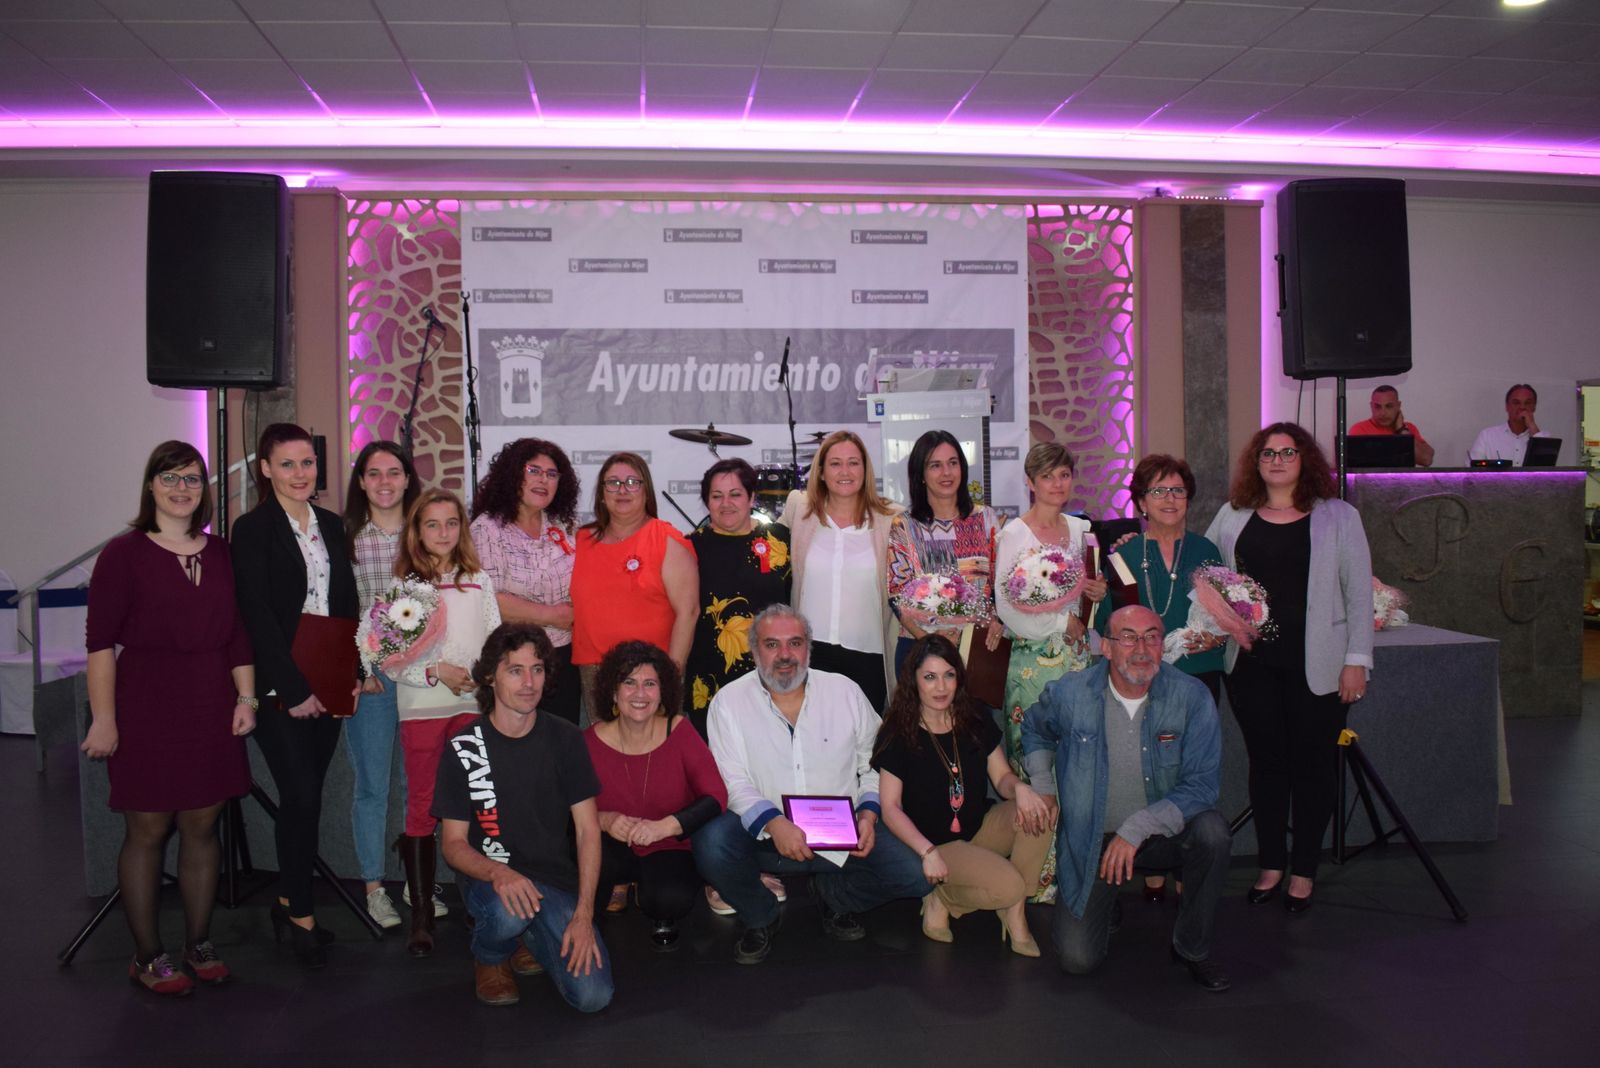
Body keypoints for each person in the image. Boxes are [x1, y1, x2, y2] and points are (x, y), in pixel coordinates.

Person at [83, 441, 256, 995]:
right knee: (149, 828)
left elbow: (237, 634)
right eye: (170, 477)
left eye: (192, 478)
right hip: (145, 701)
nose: (182, 488)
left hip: (210, 699)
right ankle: (147, 955)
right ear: (151, 486)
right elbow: (99, 645)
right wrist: (103, 720)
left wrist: (245, 700)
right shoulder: (123, 553)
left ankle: (198, 943)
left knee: (203, 826)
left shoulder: (223, 552)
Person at [695, 604, 932, 964]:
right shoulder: (728, 701)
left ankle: (835, 895)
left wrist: (868, 814)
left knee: (917, 877)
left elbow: (876, 761)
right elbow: (733, 780)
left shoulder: (845, 691)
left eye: (795, 643)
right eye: (772, 645)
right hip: (765, 837)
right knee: (711, 842)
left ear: (809, 647)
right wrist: (775, 824)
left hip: (844, 834)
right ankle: (760, 916)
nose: (785, 655)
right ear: (754, 649)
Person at [1205, 422, 1373, 914]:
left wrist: (1356, 661)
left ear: (1305, 460)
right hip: (1252, 665)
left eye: (1287, 452)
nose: (1277, 460)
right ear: (1255, 462)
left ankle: (1304, 871)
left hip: (1319, 666)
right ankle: (1272, 864)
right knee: (1268, 766)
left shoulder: (1339, 516)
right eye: (1267, 453)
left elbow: (1359, 595)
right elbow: (1206, 574)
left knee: (1315, 767)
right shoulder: (1233, 515)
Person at [1020, 605, 1232, 991]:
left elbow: (1203, 785)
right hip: (1093, 843)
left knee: (1213, 833)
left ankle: (1192, 948)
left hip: (1162, 835)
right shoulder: (1071, 693)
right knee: (1076, 960)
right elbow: (1033, 728)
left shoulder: (1191, 697)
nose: (1141, 648)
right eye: (1129, 637)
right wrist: (1042, 785)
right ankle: (1107, 896)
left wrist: (1137, 828)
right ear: (1105, 646)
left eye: (1152, 636)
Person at [232, 422, 359, 968]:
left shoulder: (332, 524)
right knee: (301, 793)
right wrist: (294, 686)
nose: (300, 473)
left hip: (331, 675)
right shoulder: (252, 528)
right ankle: (302, 913)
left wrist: (352, 669)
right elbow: (257, 616)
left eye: (307, 462)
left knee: (307, 797)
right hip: (282, 683)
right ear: (265, 469)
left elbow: (345, 603)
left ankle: (287, 900)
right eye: (287, 464)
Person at [434, 623, 612, 1011]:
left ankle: (528, 937)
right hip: (492, 881)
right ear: (489, 677)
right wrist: (500, 873)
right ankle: (491, 955)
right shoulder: (464, 747)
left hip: (553, 883)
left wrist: (584, 914)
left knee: (593, 997)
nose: (528, 682)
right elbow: (452, 845)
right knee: (506, 914)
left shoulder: (566, 739)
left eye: (537, 669)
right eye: (515, 670)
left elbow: (587, 832)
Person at [872, 634, 1054, 954]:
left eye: (949, 675)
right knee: (1006, 885)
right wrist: (927, 852)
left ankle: (1014, 911)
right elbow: (890, 808)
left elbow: (1002, 779)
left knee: (1040, 809)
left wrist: (1022, 789)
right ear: (914, 681)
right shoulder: (898, 731)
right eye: (930, 677)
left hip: (977, 830)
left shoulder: (974, 717)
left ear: (959, 677)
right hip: (934, 846)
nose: (941, 687)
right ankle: (942, 896)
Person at [387, 489, 501, 956]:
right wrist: (436, 672)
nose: (442, 533)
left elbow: (495, 641)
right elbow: (391, 660)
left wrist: (479, 678)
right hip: (421, 709)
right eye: (431, 524)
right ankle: (420, 914)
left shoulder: (479, 580)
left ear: (462, 528)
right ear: (416, 530)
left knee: (479, 804)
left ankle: (482, 900)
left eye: (451, 523)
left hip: (471, 707)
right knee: (423, 806)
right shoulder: (402, 589)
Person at [993, 442, 1107, 903]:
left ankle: (1074, 874)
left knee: (1076, 767)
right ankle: (1036, 881)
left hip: (1077, 662)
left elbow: (1081, 592)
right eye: (1049, 477)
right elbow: (1007, 606)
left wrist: (1093, 591)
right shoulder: (1015, 535)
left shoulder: (1080, 530)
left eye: (1065, 475)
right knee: (1034, 767)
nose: (1058, 484)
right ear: (1031, 481)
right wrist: (1062, 621)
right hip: (1032, 665)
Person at [585, 641, 727, 950]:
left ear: (663, 692)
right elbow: (565, 807)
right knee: (587, 855)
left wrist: (666, 826)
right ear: (612, 691)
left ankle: (651, 899)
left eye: (650, 684)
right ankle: (592, 911)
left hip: (670, 843)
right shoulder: (589, 741)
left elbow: (716, 796)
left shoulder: (679, 730)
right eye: (629, 683)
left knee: (668, 900)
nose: (639, 694)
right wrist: (605, 819)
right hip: (612, 845)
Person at [341, 439, 419, 931]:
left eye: (394, 472)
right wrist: (356, 670)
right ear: (362, 481)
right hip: (371, 680)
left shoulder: (425, 532)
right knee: (372, 787)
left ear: (408, 479)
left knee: (418, 784)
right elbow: (334, 610)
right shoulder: (344, 536)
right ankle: (373, 887)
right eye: (374, 473)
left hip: (421, 678)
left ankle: (416, 879)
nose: (385, 482)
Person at [779, 430, 902, 711]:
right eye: (835, 463)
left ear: (865, 469)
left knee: (865, 749)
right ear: (821, 472)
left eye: (853, 463)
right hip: (809, 655)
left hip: (869, 656)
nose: (844, 471)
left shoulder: (891, 517)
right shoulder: (799, 509)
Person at [570, 451, 698, 715]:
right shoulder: (580, 541)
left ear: (646, 491)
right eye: (613, 482)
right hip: (594, 673)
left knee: (652, 754)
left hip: (650, 675)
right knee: (603, 753)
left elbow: (689, 612)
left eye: (632, 482)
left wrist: (669, 677)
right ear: (602, 494)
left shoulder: (667, 540)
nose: (622, 490)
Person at [470, 438, 582, 724]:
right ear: (513, 474)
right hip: (512, 659)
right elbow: (489, 599)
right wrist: (553, 616)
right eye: (534, 470)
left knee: (559, 743)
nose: (543, 480)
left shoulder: (565, 525)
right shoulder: (488, 528)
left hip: (562, 658)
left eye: (551, 474)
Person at [684, 458, 792, 733]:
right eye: (716, 496)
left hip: (770, 672)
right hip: (709, 674)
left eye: (735, 494)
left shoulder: (780, 539)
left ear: (751, 497)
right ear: (707, 502)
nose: (726, 503)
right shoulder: (690, 547)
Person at [886, 429, 1005, 675]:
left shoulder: (985, 519)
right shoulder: (904, 526)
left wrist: (998, 621)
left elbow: (1000, 584)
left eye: (953, 463)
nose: (946, 473)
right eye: (935, 465)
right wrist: (929, 640)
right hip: (919, 649)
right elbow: (896, 595)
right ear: (920, 474)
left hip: (978, 648)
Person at [1348, 385, 1435, 467]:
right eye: (1377, 407)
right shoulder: (1360, 429)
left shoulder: (1409, 428)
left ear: (1398, 405)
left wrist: (1402, 430)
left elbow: (1426, 460)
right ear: (1371, 406)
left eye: (1389, 406)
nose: (1383, 413)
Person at [1469, 383, 1547, 466]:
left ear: (1534, 407)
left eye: (1527, 403)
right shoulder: (1487, 436)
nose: (1522, 407)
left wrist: (1532, 425)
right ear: (1507, 406)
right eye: (1516, 403)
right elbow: (1471, 471)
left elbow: (1547, 469)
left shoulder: (1542, 437)